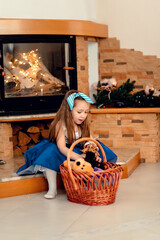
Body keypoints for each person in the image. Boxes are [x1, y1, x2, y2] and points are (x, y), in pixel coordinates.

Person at [17, 90, 117, 199]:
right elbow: (61, 147)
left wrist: (93, 153)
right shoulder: (60, 125)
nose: (83, 116)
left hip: (76, 147)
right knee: (50, 154)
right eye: (79, 112)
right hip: (61, 149)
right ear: (69, 110)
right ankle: (52, 188)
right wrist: (78, 157)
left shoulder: (83, 125)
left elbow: (90, 141)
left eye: (86, 112)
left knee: (99, 149)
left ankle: (94, 181)